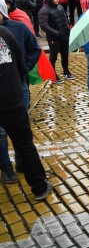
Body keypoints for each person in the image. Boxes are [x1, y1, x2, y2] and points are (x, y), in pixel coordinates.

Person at [0, 23, 53, 201]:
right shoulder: (5, 32)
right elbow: (20, 64)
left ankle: (39, 186)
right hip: (12, 98)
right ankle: (39, 187)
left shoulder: (5, 32)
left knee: (25, 144)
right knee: (25, 144)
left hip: (11, 98)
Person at [39, 0, 73, 84]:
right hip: (54, 38)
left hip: (64, 35)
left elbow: (65, 18)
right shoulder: (44, 10)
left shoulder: (60, 7)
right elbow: (44, 25)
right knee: (53, 57)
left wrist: (67, 29)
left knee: (65, 54)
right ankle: (53, 75)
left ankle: (66, 71)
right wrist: (56, 33)